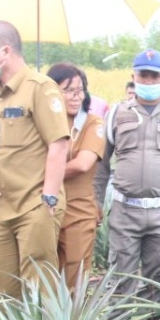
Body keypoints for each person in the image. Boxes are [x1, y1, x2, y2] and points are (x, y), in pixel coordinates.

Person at [95, 50, 160, 309]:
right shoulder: (115, 115)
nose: (149, 81)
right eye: (144, 75)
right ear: (133, 76)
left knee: (157, 276)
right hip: (125, 212)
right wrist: (95, 201)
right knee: (121, 276)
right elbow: (101, 165)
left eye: (155, 76)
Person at [0, 20, 69, 300]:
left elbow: (58, 145)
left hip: (34, 204)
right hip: (2, 208)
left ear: (4, 51)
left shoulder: (40, 88)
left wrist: (48, 199)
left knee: (39, 290)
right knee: (7, 290)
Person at [47, 63, 104, 293]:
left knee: (75, 278)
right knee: (45, 275)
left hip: (77, 211)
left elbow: (83, 164)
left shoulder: (91, 123)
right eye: (68, 90)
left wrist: (42, 173)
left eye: (79, 90)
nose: (75, 97)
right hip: (46, 208)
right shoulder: (45, 122)